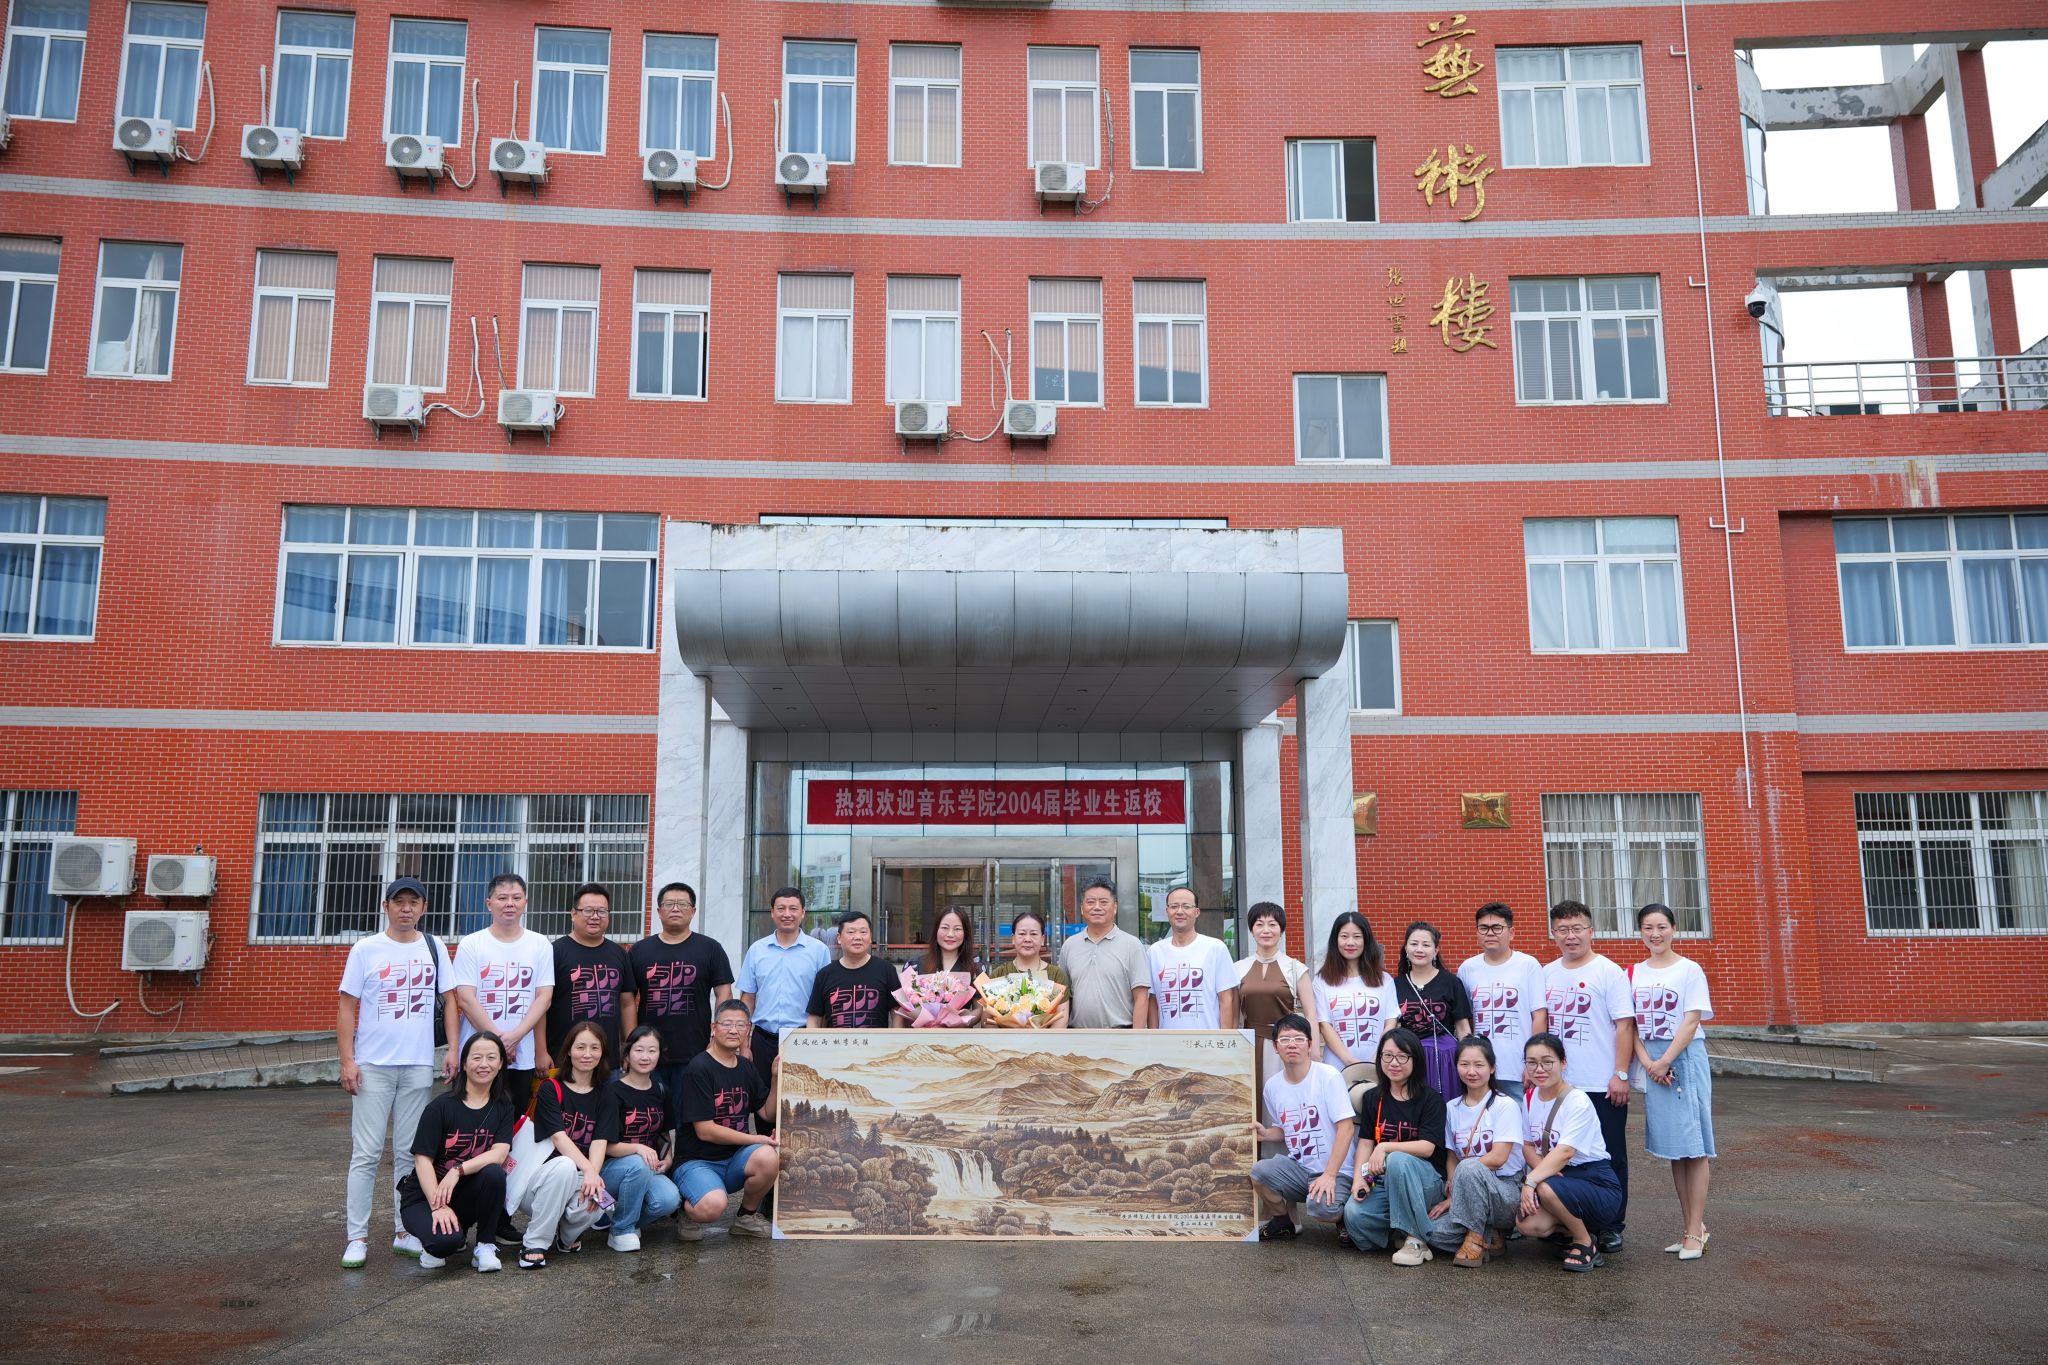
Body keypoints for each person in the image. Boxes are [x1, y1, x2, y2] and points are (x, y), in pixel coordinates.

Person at [336, 875, 458, 1269]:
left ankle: (404, 1230)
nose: (406, 908)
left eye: (414, 902)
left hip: (418, 1064)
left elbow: (450, 1001)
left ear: (424, 908)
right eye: (399, 902)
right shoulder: (366, 949)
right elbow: (346, 1007)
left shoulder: (434, 947)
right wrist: (347, 1061)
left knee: (410, 1153)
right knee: (366, 1153)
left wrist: (453, 1049)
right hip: (372, 1066)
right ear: (386, 906)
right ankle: (357, 1237)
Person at [1542, 899, 1637, 1252]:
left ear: (1591, 931)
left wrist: (1620, 1074)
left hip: (1601, 1083)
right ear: (1554, 934)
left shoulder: (1609, 972)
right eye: (1562, 930)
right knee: (1561, 1154)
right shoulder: (1546, 973)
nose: (1570, 936)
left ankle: (1611, 1225)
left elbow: (1624, 1025)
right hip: (1559, 1086)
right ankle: (1569, 1222)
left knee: (1609, 1155)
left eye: (1577, 928)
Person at [1630, 903, 1716, 1261]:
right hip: (1653, 1063)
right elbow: (1630, 1024)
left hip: (1683, 1060)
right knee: (1675, 1149)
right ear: (1640, 932)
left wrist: (1665, 1060)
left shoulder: (1689, 969)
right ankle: (1691, 1228)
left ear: (1674, 929)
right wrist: (1649, 1062)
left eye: (1661, 926)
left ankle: (1695, 1230)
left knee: (1694, 1146)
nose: (1655, 934)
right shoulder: (1633, 973)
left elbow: (1691, 1020)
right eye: (1648, 927)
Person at [399, 1031, 513, 1273]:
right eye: (477, 1058)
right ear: (464, 1063)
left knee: (494, 1173)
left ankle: (485, 1246)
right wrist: (437, 1206)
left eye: (491, 1057)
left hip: (463, 1192)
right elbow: (422, 1160)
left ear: (501, 1063)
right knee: (444, 1244)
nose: (484, 1064)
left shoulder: (503, 1106)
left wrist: (457, 1171)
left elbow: (499, 1154)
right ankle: (433, 1238)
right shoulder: (440, 1107)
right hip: (425, 1195)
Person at [1516, 1031, 1624, 1273]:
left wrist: (1531, 1181)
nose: (1539, 1069)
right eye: (1531, 1062)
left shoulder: (1577, 1101)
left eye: (1547, 1062)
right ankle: (1574, 1231)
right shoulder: (1530, 1097)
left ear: (1563, 1063)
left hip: (1596, 1181)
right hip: (1560, 1177)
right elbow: (1527, 1145)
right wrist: (1542, 1175)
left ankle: (1585, 1243)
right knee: (1526, 1224)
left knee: (1545, 1188)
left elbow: (1565, 1152)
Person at [628, 881, 734, 1121]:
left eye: (682, 904)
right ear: (659, 911)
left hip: (695, 1050)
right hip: (648, 1052)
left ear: (693, 911)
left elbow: (724, 994)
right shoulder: (640, 951)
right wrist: (630, 1043)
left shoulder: (710, 948)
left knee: (689, 1119)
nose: (675, 908)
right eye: (669, 904)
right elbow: (627, 1001)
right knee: (650, 1119)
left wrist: (717, 1037)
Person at [675, 999, 781, 1238]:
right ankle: (684, 1208)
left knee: (768, 1157)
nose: (734, 1030)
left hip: (733, 1160)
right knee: (712, 1206)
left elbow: (767, 1113)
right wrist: (755, 1139)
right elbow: (705, 1130)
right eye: (727, 1024)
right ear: (714, 1028)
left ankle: (745, 1216)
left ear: (748, 1030)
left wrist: (775, 1079)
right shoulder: (699, 1068)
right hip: (697, 1161)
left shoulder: (746, 1067)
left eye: (741, 1025)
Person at [1341, 1028, 1447, 1265]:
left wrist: (1385, 1147)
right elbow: (1366, 1142)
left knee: (1398, 1159)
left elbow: (1427, 1148)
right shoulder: (1373, 1098)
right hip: (1385, 1181)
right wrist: (1359, 1179)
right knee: (1354, 1215)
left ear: (1415, 1060)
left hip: (1425, 1182)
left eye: (1402, 1056)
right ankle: (1399, 1231)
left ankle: (1416, 1241)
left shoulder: (1431, 1099)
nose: (1394, 1063)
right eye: (1387, 1055)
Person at [513, 1020, 613, 1268]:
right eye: (580, 1047)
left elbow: (599, 1140)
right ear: (568, 1050)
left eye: (594, 1048)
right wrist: (588, 1170)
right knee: (565, 1165)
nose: (587, 1054)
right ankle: (534, 1243)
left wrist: (592, 1176)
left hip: (577, 1176)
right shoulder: (551, 1087)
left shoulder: (606, 1093)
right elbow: (558, 1137)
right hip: (538, 1179)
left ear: (602, 1053)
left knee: (603, 1200)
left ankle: (566, 1237)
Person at [452, 873, 554, 1115]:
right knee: (472, 1118)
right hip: (478, 1054)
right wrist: (499, 1042)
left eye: (516, 898)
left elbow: (543, 998)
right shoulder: (472, 944)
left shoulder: (540, 944)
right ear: (489, 903)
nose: (510, 903)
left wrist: (515, 1039)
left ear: (525, 902)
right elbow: (465, 998)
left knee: (515, 1120)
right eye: (502, 898)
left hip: (522, 1054)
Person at [1249, 1013, 1355, 1241]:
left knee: (1321, 1209)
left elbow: (1346, 1128)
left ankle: (1346, 1218)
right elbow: (1284, 1128)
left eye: (1298, 1039)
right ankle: (1282, 1222)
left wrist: (1329, 1174)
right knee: (1259, 1173)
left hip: (1337, 1171)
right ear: (1275, 1046)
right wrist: (1266, 1134)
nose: (1292, 1044)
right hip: (1301, 1169)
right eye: (1285, 1039)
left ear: (1309, 1044)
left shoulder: (1328, 1076)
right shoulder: (1273, 1086)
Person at [735, 885, 831, 1133]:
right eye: (781, 908)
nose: (787, 914)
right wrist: (744, 1045)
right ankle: (765, 1151)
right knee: (762, 1101)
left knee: (803, 1102)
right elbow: (747, 999)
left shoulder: (818, 951)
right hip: (763, 1040)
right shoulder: (757, 950)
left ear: (803, 912)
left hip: (802, 1038)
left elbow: (824, 1003)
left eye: (793, 908)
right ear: (772, 912)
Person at [1424, 1036, 1526, 1267]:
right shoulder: (1451, 1108)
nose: (1471, 1071)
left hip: (1505, 1192)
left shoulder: (1505, 1105)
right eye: (1464, 1064)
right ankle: (1491, 1234)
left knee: (1469, 1166)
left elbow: (1499, 1158)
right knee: (1430, 1231)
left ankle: (1476, 1239)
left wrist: (1462, 1177)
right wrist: (1454, 1195)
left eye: (1479, 1065)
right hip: (1467, 1192)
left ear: (1492, 1068)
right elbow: (1452, 1156)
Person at [598, 1025, 682, 1251]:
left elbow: (663, 1133)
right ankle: (621, 1230)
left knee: (669, 1199)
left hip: (645, 1167)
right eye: (639, 1050)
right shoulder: (612, 1092)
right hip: (610, 1171)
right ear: (627, 1055)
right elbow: (605, 1146)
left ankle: (621, 1218)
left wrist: (668, 1158)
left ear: (659, 1055)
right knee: (638, 1163)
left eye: (652, 1051)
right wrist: (638, 1149)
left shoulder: (662, 1091)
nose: (645, 1057)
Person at [541, 882, 637, 1072]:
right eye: (588, 911)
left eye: (601, 911)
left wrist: (630, 1048)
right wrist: (541, 1051)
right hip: (563, 1058)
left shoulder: (619, 954)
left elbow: (627, 1004)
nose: (595, 916)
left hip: (608, 1062)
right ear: (573, 913)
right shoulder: (554, 952)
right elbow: (541, 1006)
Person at [1457, 902, 1549, 1097]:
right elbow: (1466, 1019)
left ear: (1511, 932)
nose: (1490, 933)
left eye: (1497, 928)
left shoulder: (1528, 965)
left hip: (1518, 1069)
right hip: (1480, 1069)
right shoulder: (1467, 969)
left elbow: (1539, 1016)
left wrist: (1533, 1062)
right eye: (1484, 928)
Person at [1234, 902, 1318, 1095]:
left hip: (1287, 1044)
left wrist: (1313, 1050)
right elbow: (1233, 1014)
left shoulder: (1296, 968)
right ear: (1252, 929)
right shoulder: (1238, 968)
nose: (1266, 930)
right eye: (1259, 924)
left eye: (1272, 924)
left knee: (1287, 1095)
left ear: (1281, 930)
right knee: (1251, 1097)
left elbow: (1311, 1014)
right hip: (1249, 1044)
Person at [1310, 911, 1396, 1082]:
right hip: (1337, 1066)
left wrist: (1377, 1059)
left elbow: (1390, 1022)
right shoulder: (1321, 981)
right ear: (1335, 940)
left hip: (1378, 1064)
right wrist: (1350, 1062)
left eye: (1357, 936)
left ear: (1366, 940)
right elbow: (1324, 1025)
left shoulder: (1384, 979)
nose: (1350, 942)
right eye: (1344, 936)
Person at [1058, 875, 1152, 1029]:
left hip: (1120, 1035)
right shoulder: (1069, 945)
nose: (1097, 907)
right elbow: (1062, 996)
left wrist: (1137, 1038)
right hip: (1077, 1035)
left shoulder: (1132, 945)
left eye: (1103, 902)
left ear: (1114, 908)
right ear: (1082, 908)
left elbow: (1141, 998)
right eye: (1090, 902)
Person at [1394, 921, 1473, 1099]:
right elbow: (1393, 1026)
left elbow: (1463, 1028)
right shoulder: (1396, 985)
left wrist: (1468, 1060)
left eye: (1426, 945)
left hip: (1445, 1060)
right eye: (1414, 944)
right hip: (1410, 1059)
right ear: (1406, 948)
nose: (1419, 949)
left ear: (1436, 950)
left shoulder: (1451, 982)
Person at [1145, 885, 1239, 1031]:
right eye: (1174, 906)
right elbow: (1152, 1001)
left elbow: (1227, 999)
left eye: (1186, 906)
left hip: (1207, 1040)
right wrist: (1153, 1038)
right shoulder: (1155, 952)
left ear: (1197, 912)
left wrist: (1224, 1039)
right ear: (1167, 911)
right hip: (1166, 1040)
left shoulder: (1215, 948)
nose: (1179, 911)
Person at [808, 911, 903, 1029]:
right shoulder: (824, 975)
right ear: (839, 938)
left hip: (877, 1041)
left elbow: (897, 1012)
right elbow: (814, 1019)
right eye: (851, 932)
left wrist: (895, 1040)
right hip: (836, 1041)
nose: (857, 937)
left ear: (870, 937)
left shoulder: (887, 970)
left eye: (863, 932)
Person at [897, 906, 982, 1027]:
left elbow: (980, 1008)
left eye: (957, 929)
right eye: (945, 928)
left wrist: (964, 1021)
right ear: (936, 930)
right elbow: (904, 1006)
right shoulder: (914, 965)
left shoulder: (975, 967)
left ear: (966, 933)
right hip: (922, 1035)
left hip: (960, 1036)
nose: (950, 934)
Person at [985, 909, 1071, 1028]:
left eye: (1034, 934)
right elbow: (987, 1020)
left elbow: (1062, 1016)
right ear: (1013, 938)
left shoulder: (1056, 974)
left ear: (1042, 939)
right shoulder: (999, 973)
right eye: (1022, 934)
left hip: (1045, 1039)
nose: (1027, 939)